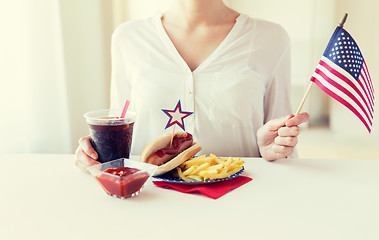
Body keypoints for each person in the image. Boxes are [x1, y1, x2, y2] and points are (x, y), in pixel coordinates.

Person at [75, 0, 310, 173]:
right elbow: (120, 128)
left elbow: (283, 142)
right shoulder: (128, 38)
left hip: (239, 202)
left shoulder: (271, 38)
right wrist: (97, 154)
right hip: (151, 203)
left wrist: (274, 151)